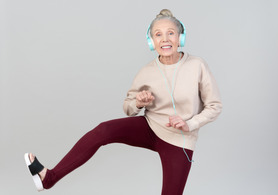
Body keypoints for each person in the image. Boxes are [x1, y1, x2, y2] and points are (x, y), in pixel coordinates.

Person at [24, 9, 222, 195]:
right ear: (152, 41)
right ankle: (49, 178)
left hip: (180, 139)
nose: (165, 39)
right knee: (103, 130)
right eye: (158, 34)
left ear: (180, 38)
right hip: (150, 128)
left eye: (171, 33)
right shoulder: (147, 71)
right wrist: (138, 102)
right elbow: (128, 108)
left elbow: (214, 105)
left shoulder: (197, 65)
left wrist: (190, 123)